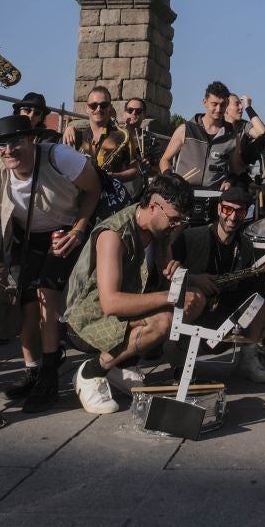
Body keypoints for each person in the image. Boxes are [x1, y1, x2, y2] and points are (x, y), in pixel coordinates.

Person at [0, 114, 102, 412]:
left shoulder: (60, 157)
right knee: (26, 303)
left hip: (66, 230)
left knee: (46, 292)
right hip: (26, 236)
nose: (8, 151)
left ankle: (49, 374)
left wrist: (79, 228)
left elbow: (94, 188)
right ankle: (33, 370)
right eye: (1, 146)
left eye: (15, 143)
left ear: (32, 140)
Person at [66, 174, 205, 415]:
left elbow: (163, 273)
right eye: (174, 220)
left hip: (127, 305)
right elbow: (110, 303)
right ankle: (91, 371)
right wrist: (169, 297)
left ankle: (123, 364)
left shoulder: (160, 229)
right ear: (154, 206)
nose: (177, 226)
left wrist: (174, 273)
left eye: (182, 220)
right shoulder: (114, 234)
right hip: (87, 317)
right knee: (163, 321)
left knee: (196, 300)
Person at [171, 181, 265, 382]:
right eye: (228, 209)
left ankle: (249, 356)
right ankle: (179, 357)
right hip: (189, 311)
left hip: (221, 312)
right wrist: (193, 278)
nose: (233, 217)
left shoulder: (244, 245)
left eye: (240, 212)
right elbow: (166, 272)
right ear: (219, 208)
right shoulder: (191, 237)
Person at [158, 81, 246, 191]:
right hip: (183, 193)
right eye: (214, 104)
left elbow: (236, 168)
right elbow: (164, 160)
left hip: (214, 195)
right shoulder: (186, 129)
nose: (218, 109)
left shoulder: (232, 135)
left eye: (222, 105)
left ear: (227, 104)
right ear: (205, 102)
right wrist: (170, 177)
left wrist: (230, 181)